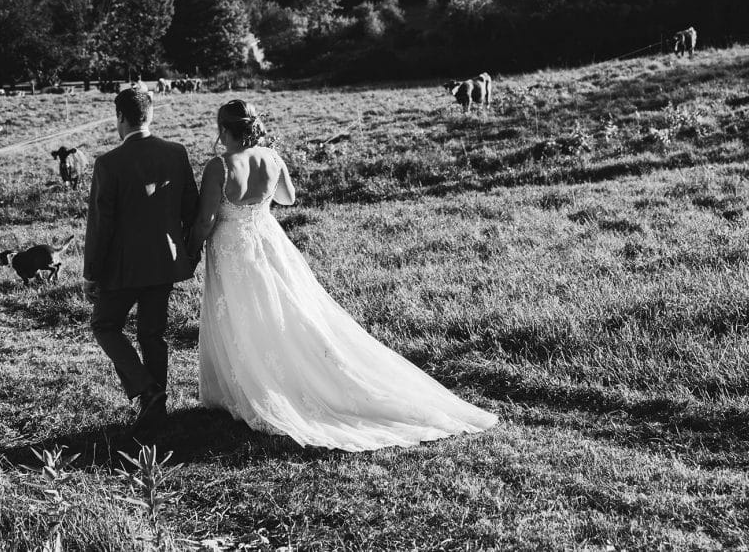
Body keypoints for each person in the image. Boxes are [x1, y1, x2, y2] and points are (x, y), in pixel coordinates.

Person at [188, 100, 498, 451]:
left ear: (224, 129)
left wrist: (189, 248)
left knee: (243, 313)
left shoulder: (220, 166)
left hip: (234, 249)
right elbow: (288, 198)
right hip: (267, 239)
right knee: (285, 310)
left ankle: (254, 386)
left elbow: (205, 220)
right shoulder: (272, 158)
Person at [83, 88, 200, 434]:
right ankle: (156, 407)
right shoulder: (176, 153)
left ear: (119, 117)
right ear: (150, 115)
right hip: (164, 261)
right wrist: (186, 252)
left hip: (122, 267)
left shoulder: (108, 163)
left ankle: (147, 390)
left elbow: (100, 224)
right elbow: (190, 208)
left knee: (105, 326)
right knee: (152, 333)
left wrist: (91, 273)